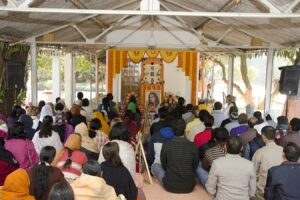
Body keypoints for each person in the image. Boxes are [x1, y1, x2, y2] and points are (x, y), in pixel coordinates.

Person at [154, 119, 199, 193]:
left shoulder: (166, 144)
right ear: (184, 130)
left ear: (172, 130)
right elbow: (195, 166)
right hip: (189, 186)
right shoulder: (193, 145)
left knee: (155, 166)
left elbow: (164, 164)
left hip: (170, 185)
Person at [206, 136, 256, 200]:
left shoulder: (217, 163)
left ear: (225, 147)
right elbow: (252, 191)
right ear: (242, 148)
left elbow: (210, 188)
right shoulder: (250, 165)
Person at [252, 126, 283, 200]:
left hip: (262, 193)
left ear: (263, 136)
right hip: (280, 192)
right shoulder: (283, 150)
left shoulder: (259, 152)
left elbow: (253, 173)